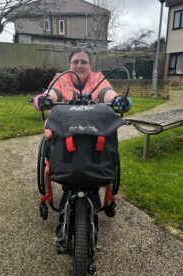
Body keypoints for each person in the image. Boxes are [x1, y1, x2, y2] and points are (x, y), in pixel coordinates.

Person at [34, 47, 132, 217]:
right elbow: (54, 93)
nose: (79, 65)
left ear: (90, 65)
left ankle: (92, 182)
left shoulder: (98, 79)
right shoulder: (61, 78)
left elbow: (105, 92)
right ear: (69, 64)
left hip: (92, 128)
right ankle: (68, 182)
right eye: (75, 62)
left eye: (83, 62)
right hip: (65, 127)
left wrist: (116, 99)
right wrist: (46, 98)